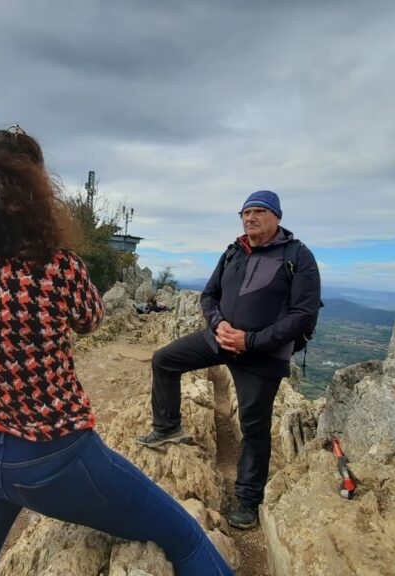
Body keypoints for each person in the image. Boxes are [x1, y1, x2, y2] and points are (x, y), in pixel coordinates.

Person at [0, 126, 234, 576]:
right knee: (185, 536)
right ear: (33, 190)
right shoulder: (54, 265)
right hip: (53, 455)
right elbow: (91, 317)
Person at [136, 190, 321, 531]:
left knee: (253, 427)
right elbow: (209, 295)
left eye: (259, 212)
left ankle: (248, 500)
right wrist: (219, 324)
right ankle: (167, 428)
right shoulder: (234, 250)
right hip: (219, 339)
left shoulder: (298, 256)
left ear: (277, 217)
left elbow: (303, 316)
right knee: (165, 360)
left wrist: (249, 340)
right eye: (245, 212)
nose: (250, 217)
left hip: (262, 355)